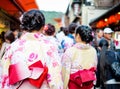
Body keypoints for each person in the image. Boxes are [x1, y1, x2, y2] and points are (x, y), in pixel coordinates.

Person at [1, 9, 63, 89]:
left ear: (23, 26)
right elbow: (55, 78)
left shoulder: (12, 47)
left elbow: (5, 76)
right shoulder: (50, 47)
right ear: (43, 27)